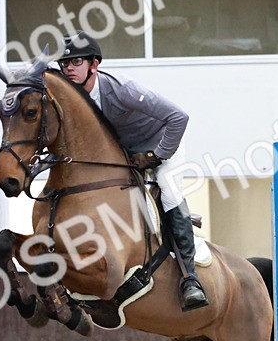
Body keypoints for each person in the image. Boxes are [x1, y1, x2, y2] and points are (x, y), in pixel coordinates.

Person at [57, 32, 209, 311]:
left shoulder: (120, 89)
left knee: (170, 191)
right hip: (126, 154)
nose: (68, 68)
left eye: (75, 62)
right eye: (64, 64)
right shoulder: (73, 100)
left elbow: (178, 117)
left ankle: (190, 279)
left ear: (94, 64)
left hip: (162, 143)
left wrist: (156, 155)